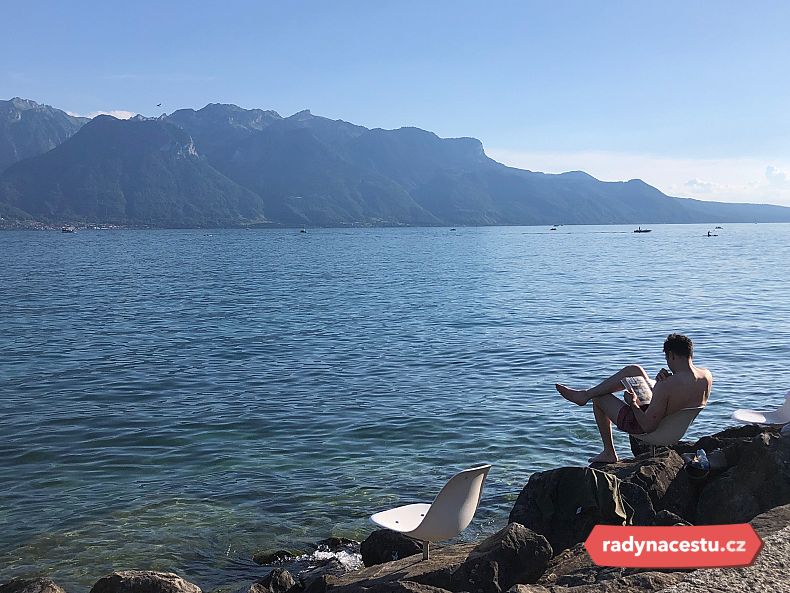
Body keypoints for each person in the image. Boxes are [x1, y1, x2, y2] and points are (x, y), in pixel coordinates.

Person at [555, 333, 712, 464]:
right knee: (634, 370)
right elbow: (677, 397)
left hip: (655, 431)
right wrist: (660, 385)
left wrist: (633, 403)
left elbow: (647, 426)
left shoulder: (668, 386)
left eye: (667, 358)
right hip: (673, 427)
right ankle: (585, 395)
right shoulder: (706, 375)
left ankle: (609, 452)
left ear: (671, 355)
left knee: (599, 398)